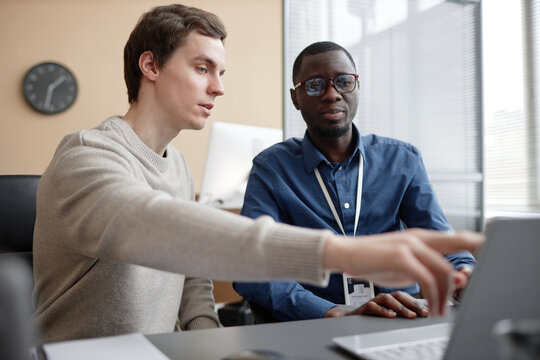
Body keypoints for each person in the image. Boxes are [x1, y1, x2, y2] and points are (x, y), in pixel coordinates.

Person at [32, 5, 482, 343]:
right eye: (202, 67)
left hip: (161, 351)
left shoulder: (178, 164)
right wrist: (344, 253)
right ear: (150, 66)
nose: (219, 87)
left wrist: (208, 340)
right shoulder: (86, 154)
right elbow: (144, 223)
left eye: (221, 71)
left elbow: (192, 276)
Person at [234, 41, 476, 322]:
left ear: (357, 88)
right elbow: (250, 268)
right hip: (317, 326)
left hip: (400, 318)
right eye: (314, 85)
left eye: (344, 82)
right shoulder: (272, 168)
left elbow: (443, 244)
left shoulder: (402, 159)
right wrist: (332, 311)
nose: (331, 94)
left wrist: (465, 277)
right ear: (295, 97)